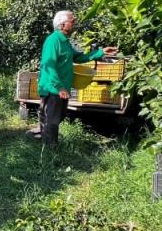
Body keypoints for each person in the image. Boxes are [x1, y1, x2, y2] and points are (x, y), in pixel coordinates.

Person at [37, 10, 118, 146]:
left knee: (58, 116)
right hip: (53, 87)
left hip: (62, 86)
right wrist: (59, 87)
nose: (75, 23)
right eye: (72, 21)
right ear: (62, 25)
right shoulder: (53, 41)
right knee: (52, 119)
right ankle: (50, 150)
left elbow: (79, 57)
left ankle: (41, 135)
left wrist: (101, 52)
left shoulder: (65, 41)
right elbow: (48, 66)